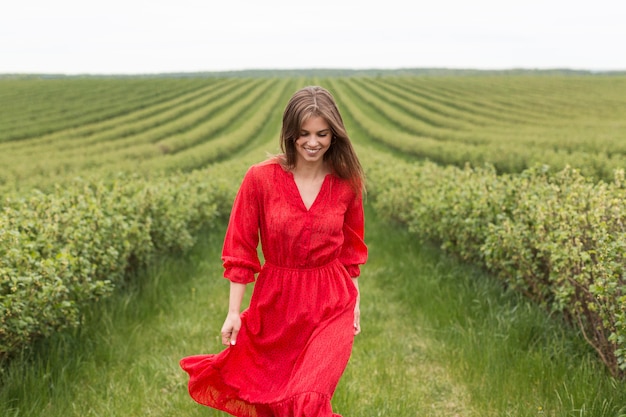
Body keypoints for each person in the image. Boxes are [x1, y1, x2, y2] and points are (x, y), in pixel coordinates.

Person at [179, 85, 368, 417]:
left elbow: (352, 252)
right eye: (304, 133)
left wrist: (355, 303)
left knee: (309, 399)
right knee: (275, 401)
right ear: (289, 133)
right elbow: (240, 249)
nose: (313, 142)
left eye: (322, 133)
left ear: (334, 135)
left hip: (331, 303)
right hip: (277, 304)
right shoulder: (260, 179)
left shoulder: (346, 182)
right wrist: (234, 312)